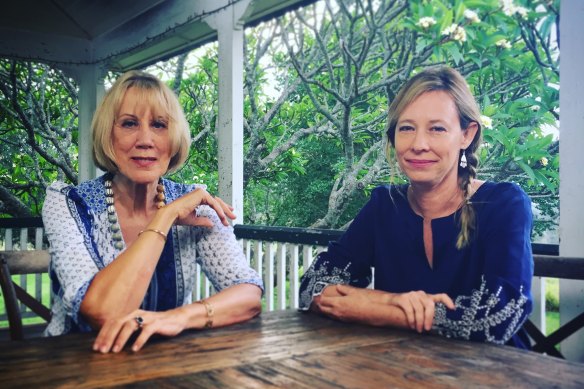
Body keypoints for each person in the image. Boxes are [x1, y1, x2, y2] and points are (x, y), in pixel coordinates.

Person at [299, 66, 533, 348]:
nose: (419, 144)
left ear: (466, 135)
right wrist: (392, 300)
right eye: (407, 128)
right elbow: (313, 287)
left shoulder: (504, 203)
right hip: (407, 369)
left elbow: (497, 317)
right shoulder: (384, 205)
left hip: (498, 374)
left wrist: (379, 311)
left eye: (437, 128)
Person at [42, 70, 263, 353]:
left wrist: (178, 317)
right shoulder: (68, 203)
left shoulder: (195, 203)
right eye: (129, 123)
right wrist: (165, 216)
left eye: (159, 125)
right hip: (74, 363)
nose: (145, 140)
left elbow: (248, 293)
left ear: (174, 139)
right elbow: (104, 314)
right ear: (108, 135)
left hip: (162, 361)